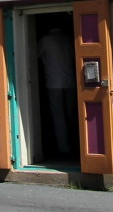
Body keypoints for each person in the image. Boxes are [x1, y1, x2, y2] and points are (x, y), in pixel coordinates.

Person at [37, 25, 76, 156]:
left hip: (53, 82)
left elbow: (33, 56)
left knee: (58, 115)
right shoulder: (67, 39)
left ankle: (64, 148)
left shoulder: (45, 40)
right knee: (71, 113)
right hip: (70, 81)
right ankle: (75, 142)